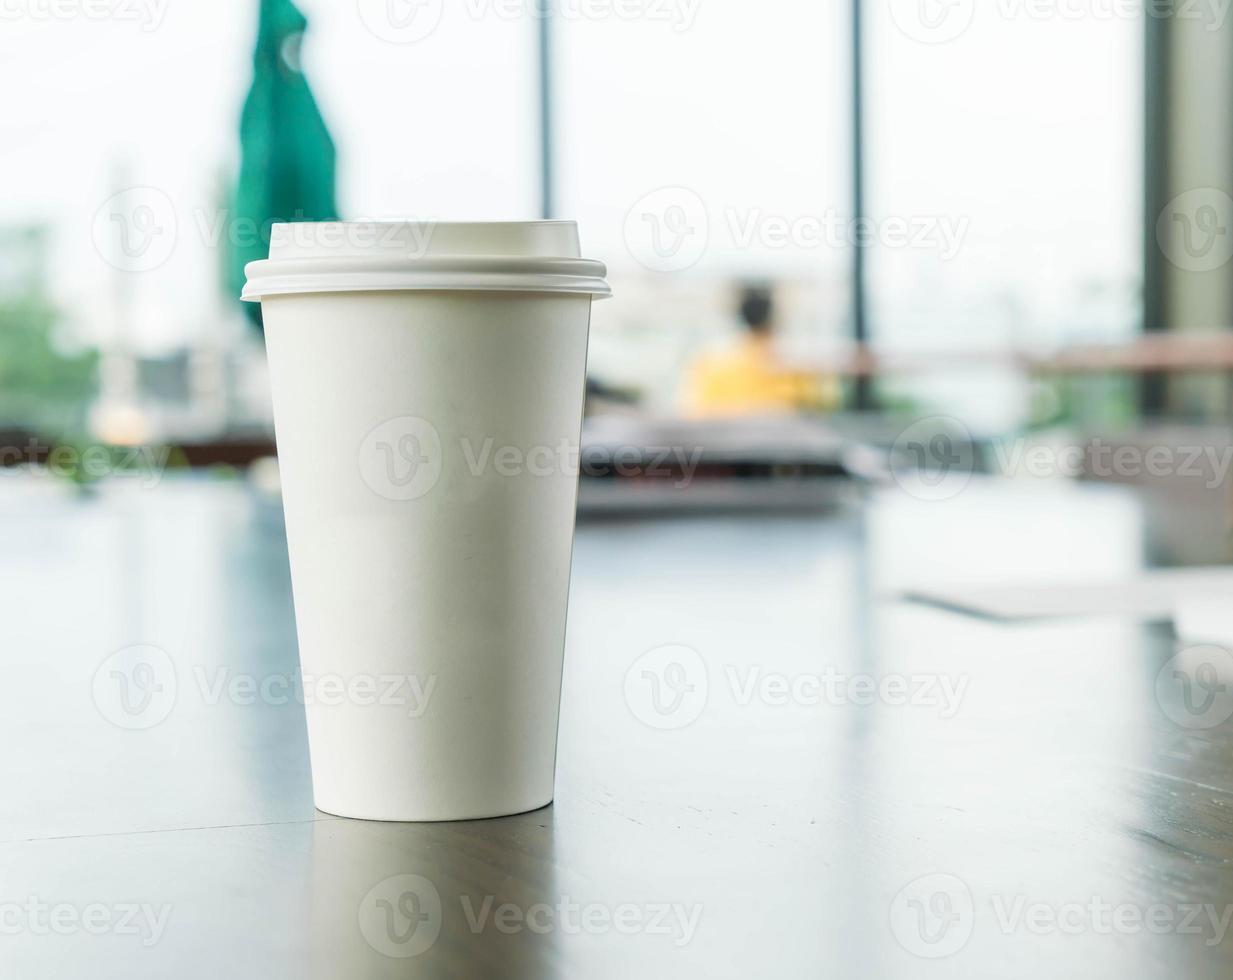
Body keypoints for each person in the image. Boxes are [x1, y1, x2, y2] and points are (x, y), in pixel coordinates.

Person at [680, 286, 836, 418]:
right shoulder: (790, 367)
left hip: (722, 449)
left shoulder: (711, 363)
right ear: (772, 320)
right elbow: (825, 405)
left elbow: (693, 410)